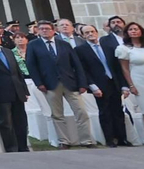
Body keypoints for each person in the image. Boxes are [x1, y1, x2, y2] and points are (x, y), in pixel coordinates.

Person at [25, 20, 93, 148]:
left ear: (53, 30)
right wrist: (39, 82)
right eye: (42, 29)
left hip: (70, 83)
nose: (44, 31)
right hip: (49, 84)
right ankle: (64, 140)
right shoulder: (34, 45)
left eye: (47, 28)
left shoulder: (64, 44)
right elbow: (31, 65)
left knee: (81, 112)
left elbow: (76, 64)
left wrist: (82, 83)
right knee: (57, 114)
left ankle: (86, 140)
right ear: (38, 31)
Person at [76, 24, 130, 147]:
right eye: (87, 33)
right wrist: (92, 86)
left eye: (92, 31)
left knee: (118, 112)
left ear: (97, 32)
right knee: (105, 112)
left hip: (114, 82)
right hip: (99, 85)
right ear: (83, 36)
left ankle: (122, 138)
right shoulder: (80, 50)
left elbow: (118, 68)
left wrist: (124, 85)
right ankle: (110, 139)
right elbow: (83, 70)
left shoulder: (109, 47)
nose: (90, 34)